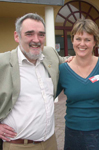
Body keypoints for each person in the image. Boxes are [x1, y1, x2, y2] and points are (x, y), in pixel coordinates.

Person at [0, 13, 70, 150]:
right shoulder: (3, 62)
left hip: (50, 142)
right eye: (29, 34)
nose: (36, 40)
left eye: (41, 34)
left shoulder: (50, 54)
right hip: (19, 145)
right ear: (16, 36)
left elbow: (74, 63)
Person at [57, 19, 99, 150]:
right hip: (73, 133)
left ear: (95, 42)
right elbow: (47, 97)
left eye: (87, 39)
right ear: (72, 40)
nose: (82, 44)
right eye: (78, 39)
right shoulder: (63, 70)